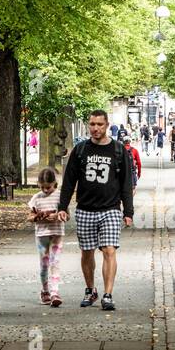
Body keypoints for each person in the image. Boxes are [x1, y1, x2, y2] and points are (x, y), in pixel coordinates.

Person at [57, 109, 134, 311]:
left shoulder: (118, 150)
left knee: (109, 250)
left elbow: (126, 183)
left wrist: (128, 212)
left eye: (99, 124)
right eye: (92, 124)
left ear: (107, 125)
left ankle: (108, 294)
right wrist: (62, 206)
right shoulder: (81, 150)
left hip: (110, 209)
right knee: (87, 252)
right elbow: (69, 180)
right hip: (85, 209)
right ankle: (90, 290)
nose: (95, 128)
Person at [28, 166, 65, 307]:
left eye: (48, 187)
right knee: (44, 264)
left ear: (54, 184)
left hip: (57, 233)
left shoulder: (60, 196)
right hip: (42, 234)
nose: (45, 190)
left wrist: (57, 215)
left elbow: (66, 215)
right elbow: (30, 217)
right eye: (42, 187)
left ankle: (55, 291)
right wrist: (37, 216)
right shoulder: (36, 198)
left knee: (55, 262)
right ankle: (45, 291)